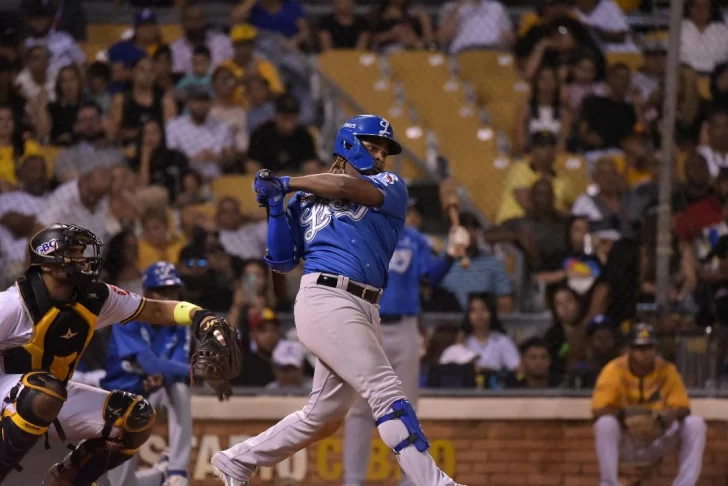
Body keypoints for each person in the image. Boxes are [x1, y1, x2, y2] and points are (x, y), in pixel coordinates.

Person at [212, 115, 464, 485]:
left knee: (324, 417)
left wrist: (284, 182)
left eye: (383, 151)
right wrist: (277, 207)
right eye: (372, 146)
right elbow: (282, 261)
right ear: (348, 143)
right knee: (386, 393)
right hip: (325, 297)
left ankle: (237, 460)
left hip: (365, 307)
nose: (379, 156)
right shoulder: (303, 199)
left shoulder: (390, 185)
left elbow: (344, 187)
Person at [0, 223, 227, 484]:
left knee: (136, 416)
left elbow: (153, 310)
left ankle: (67, 480)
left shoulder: (96, 298)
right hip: (12, 394)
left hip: (51, 394)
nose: (83, 259)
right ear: (47, 263)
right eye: (73, 253)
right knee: (43, 391)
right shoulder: (13, 304)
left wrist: (201, 316)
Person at [342, 195, 468, 486]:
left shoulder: (415, 239)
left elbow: (430, 278)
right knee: (360, 408)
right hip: (368, 325)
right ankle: (352, 481)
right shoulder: (361, 233)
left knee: (406, 406)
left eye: (408, 208)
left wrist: (450, 254)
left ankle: (410, 480)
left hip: (406, 326)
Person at [102, 262, 194, 486]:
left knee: (180, 390)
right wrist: (197, 370)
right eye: (162, 292)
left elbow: (177, 367)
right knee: (120, 484)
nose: (168, 297)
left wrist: (168, 374)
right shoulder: (127, 317)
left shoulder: (180, 322)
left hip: (153, 396)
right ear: (147, 294)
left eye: (172, 291)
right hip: (118, 402)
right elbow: (150, 364)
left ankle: (177, 470)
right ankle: (161, 474)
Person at [592, 323, 707, 485]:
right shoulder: (614, 369)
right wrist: (625, 415)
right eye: (639, 348)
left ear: (656, 349)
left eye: (649, 347)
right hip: (628, 440)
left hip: (657, 437)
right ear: (628, 350)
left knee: (695, 424)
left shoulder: (667, 370)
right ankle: (609, 483)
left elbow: (683, 407)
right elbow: (598, 410)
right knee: (605, 424)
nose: (645, 353)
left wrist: (666, 417)